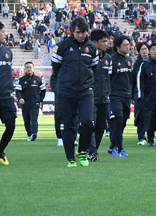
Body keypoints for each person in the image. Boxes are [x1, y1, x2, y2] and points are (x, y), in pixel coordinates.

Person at [51, 16, 99, 168]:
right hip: (66, 92)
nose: (81, 35)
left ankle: (82, 151)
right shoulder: (62, 46)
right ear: (71, 31)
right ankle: (71, 158)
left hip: (85, 91)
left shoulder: (92, 47)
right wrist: (58, 89)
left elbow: (94, 69)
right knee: (68, 125)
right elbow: (55, 71)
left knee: (87, 122)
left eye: (84, 32)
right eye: (78, 32)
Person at [87, 29, 112, 161]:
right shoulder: (88, 56)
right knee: (90, 124)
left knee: (101, 126)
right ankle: (91, 152)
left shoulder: (108, 58)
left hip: (104, 98)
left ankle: (93, 150)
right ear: (95, 42)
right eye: (103, 41)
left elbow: (109, 78)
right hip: (90, 97)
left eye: (106, 41)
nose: (106, 43)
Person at [109, 36, 134, 158]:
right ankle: (120, 149)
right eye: (125, 45)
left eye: (128, 44)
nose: (127, 47)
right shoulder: (112, 60)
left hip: (126, 96)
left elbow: (131, 79)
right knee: (118, 120)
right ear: (118, 47)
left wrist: (132, 94)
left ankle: (112, 145)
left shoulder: (129, 60)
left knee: (122, 122)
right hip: (114, 95)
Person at [0, 21, 16, 166]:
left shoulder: (8, 52)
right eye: (3, 31)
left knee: (11, 125)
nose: (5, 34)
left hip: (6, 97)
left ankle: (0, 151)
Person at [15, 61, 46, 142]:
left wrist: (40, 100)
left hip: (35, 103)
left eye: (30, 67)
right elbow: (18, 91)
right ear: (25, 69)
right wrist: (20, 98)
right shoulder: (21, 80)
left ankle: (34, 133)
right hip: (25, 104)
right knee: (26, 120)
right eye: (27, 67)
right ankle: (29, 134)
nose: (29, 69)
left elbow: (43, 90)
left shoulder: (38, 79)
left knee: (34, 119)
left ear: (33, 68)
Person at [132, 42, 152, 146]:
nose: (145, 51)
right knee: (140, 116)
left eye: (146, 49)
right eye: (142, 49)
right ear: (139, 51)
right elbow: (133, 80)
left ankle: (150, 137)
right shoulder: (136, 64)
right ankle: (141, 137)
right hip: (139, 94)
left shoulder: (151, 62)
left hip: (150, 95)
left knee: (150, 115)